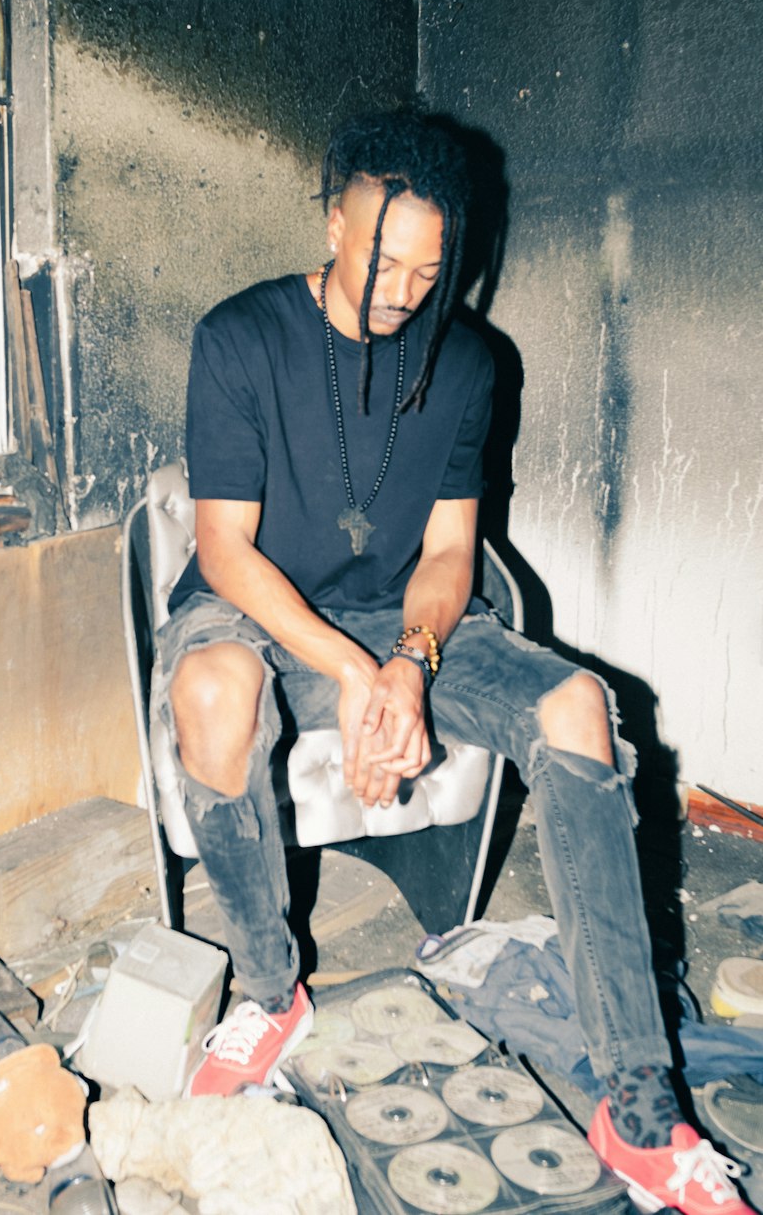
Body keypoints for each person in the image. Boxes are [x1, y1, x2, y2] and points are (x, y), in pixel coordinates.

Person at [152, 106, 754, 1214]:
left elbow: (446, 550)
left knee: (577, 704)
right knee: (210, 687)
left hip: (405, 626)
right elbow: (225, 553)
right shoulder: (239, 336)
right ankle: (271, 990)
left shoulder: (471, 361)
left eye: (431, 273)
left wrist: (410, 667)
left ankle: (637, 1101)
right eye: (385, 262)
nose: (404, 292)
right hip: (257, 619)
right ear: (332, 220)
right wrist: (350, 672)